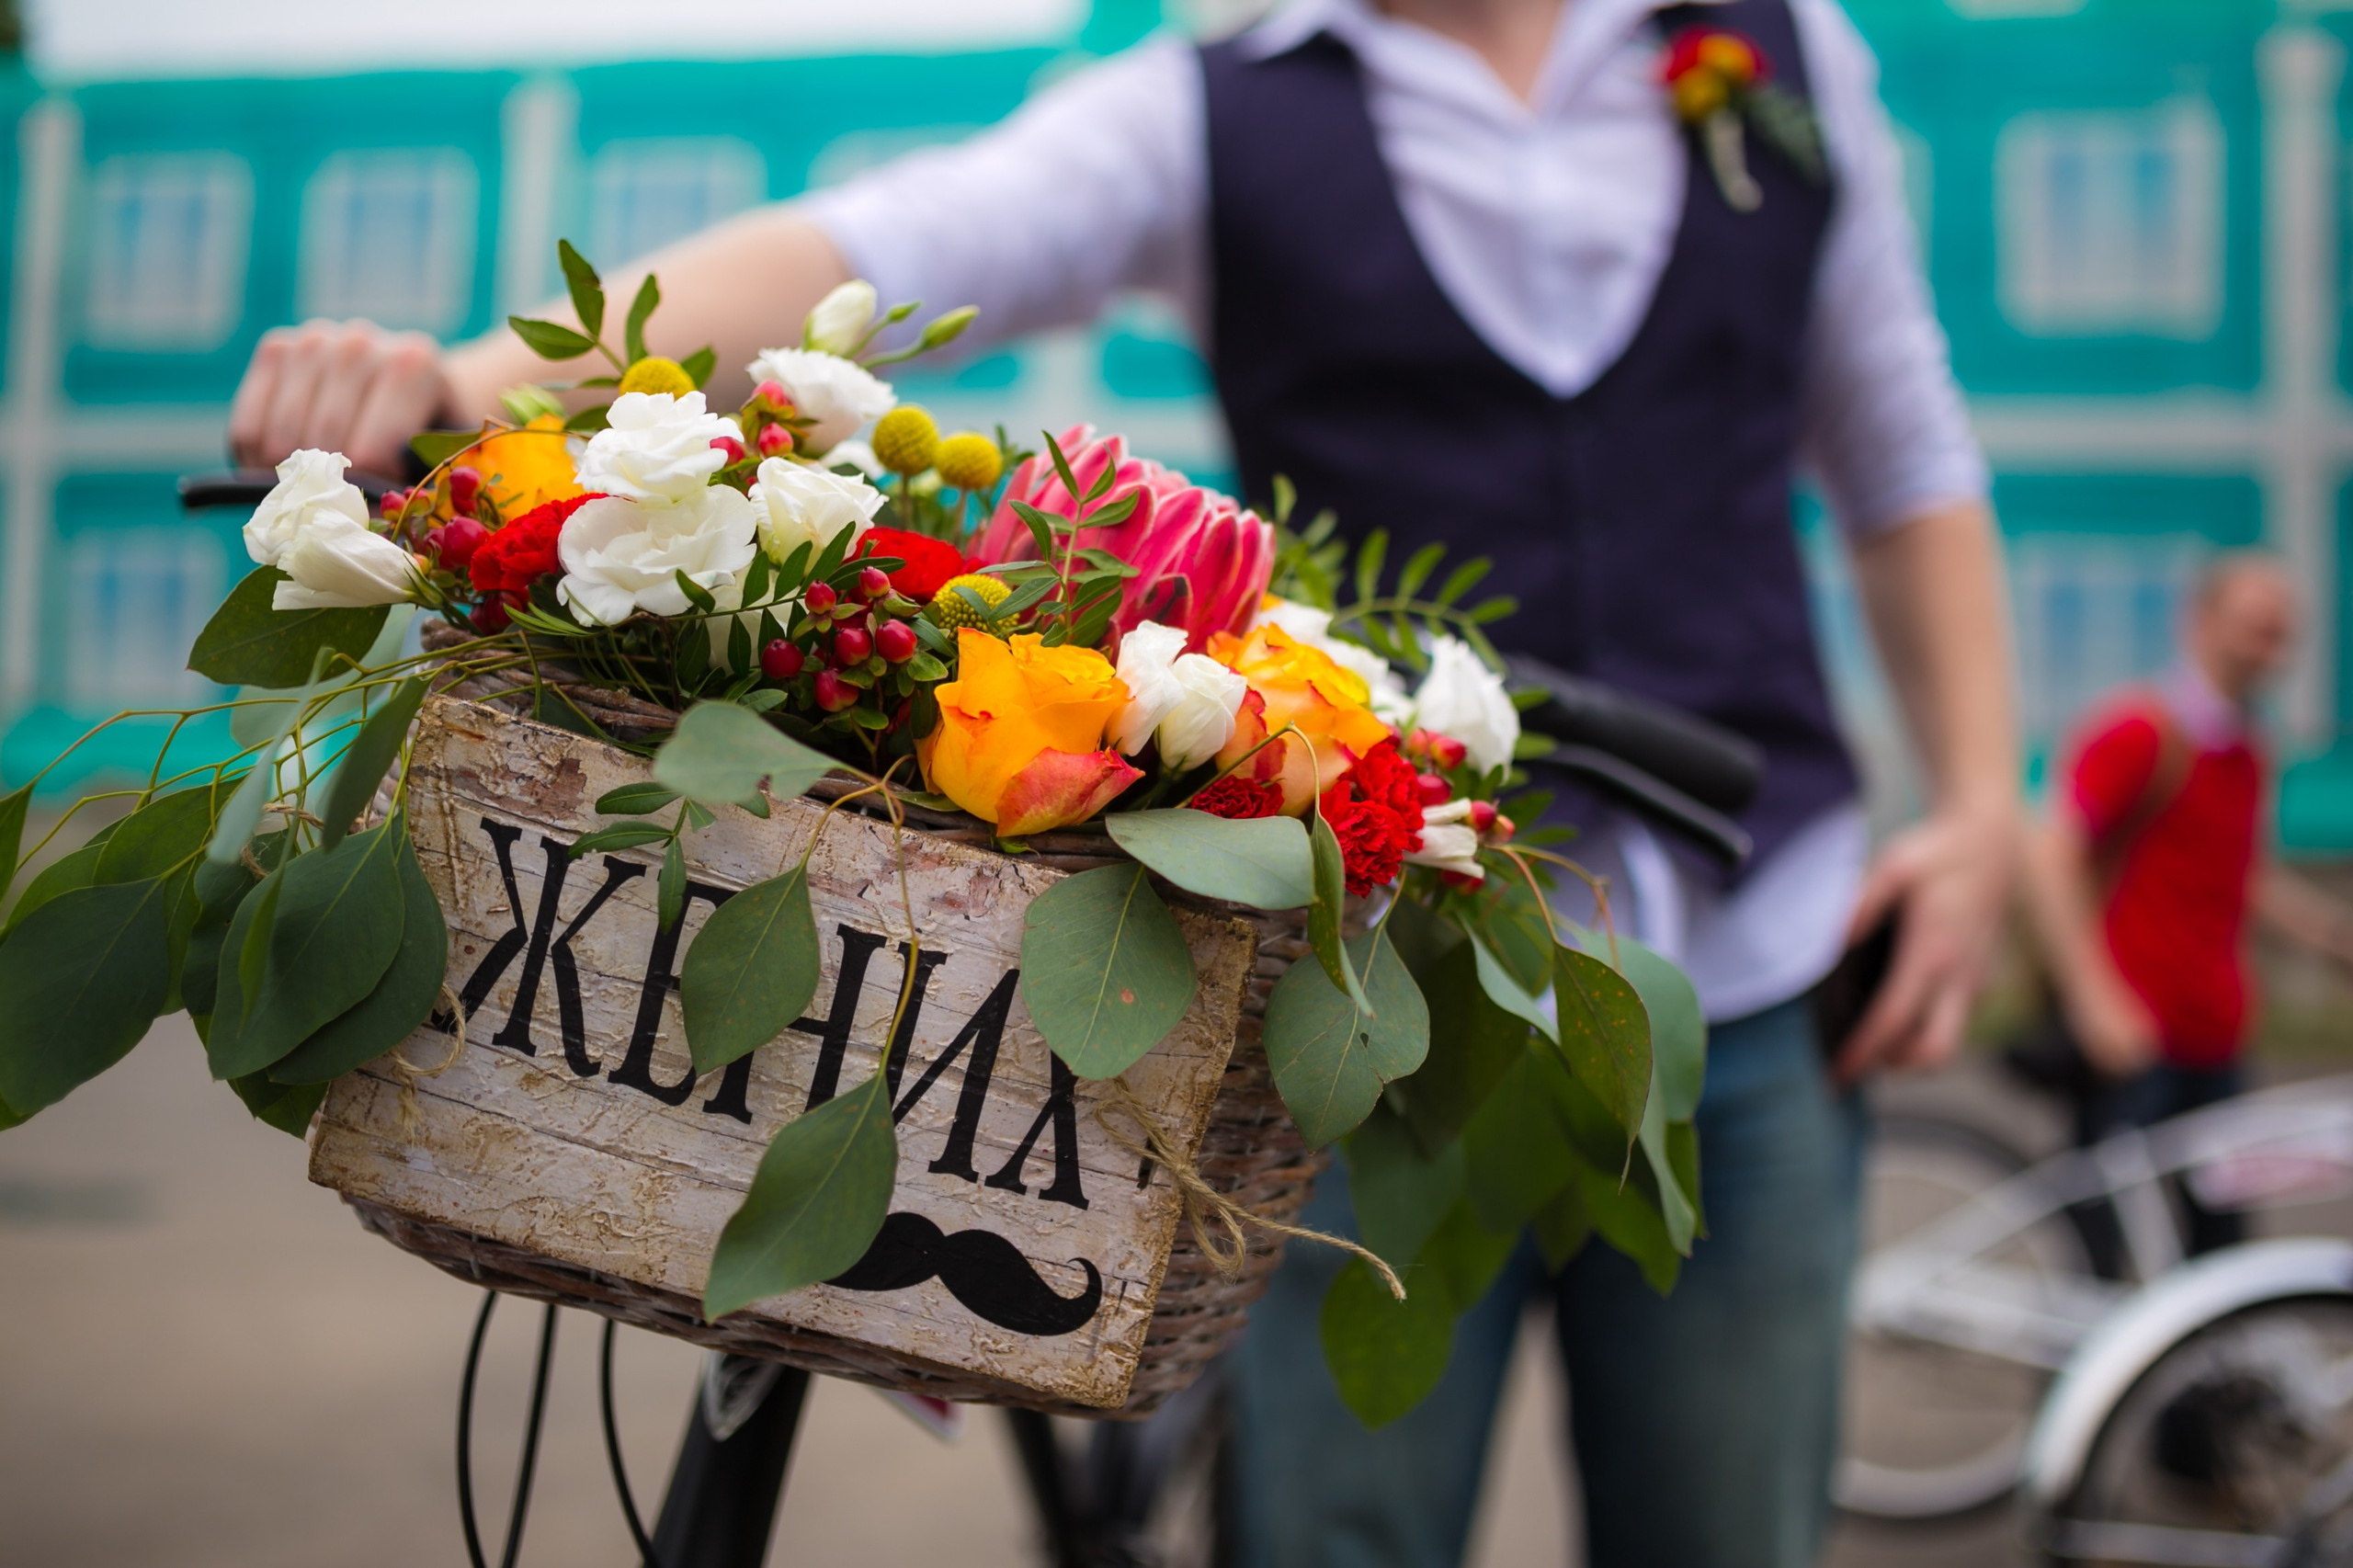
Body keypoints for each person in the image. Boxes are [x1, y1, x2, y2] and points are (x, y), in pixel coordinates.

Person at [224, 0, 2018, 1562]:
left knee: (1726, 1527)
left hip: (1757, 952)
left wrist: (1979, 809)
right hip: (1363, 989)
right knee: (1328, 1532)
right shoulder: (1215, 105)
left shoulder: (1784, 52)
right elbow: (886, 242)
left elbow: (1897, 439)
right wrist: (450, 387)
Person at [2019, 553, 2353, 1273]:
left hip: (2216, 1032)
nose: (2271, 649)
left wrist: (2329, 936)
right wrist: (2093, 997)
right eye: (2255, 628)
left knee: (2216, 1245)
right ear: (2202, 623)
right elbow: (2051, 856)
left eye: (2281, 632)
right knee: (2111, 1240)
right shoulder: (2139, 733)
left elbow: (2238, 871)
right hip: (2134, 1033)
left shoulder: (2247, 748)